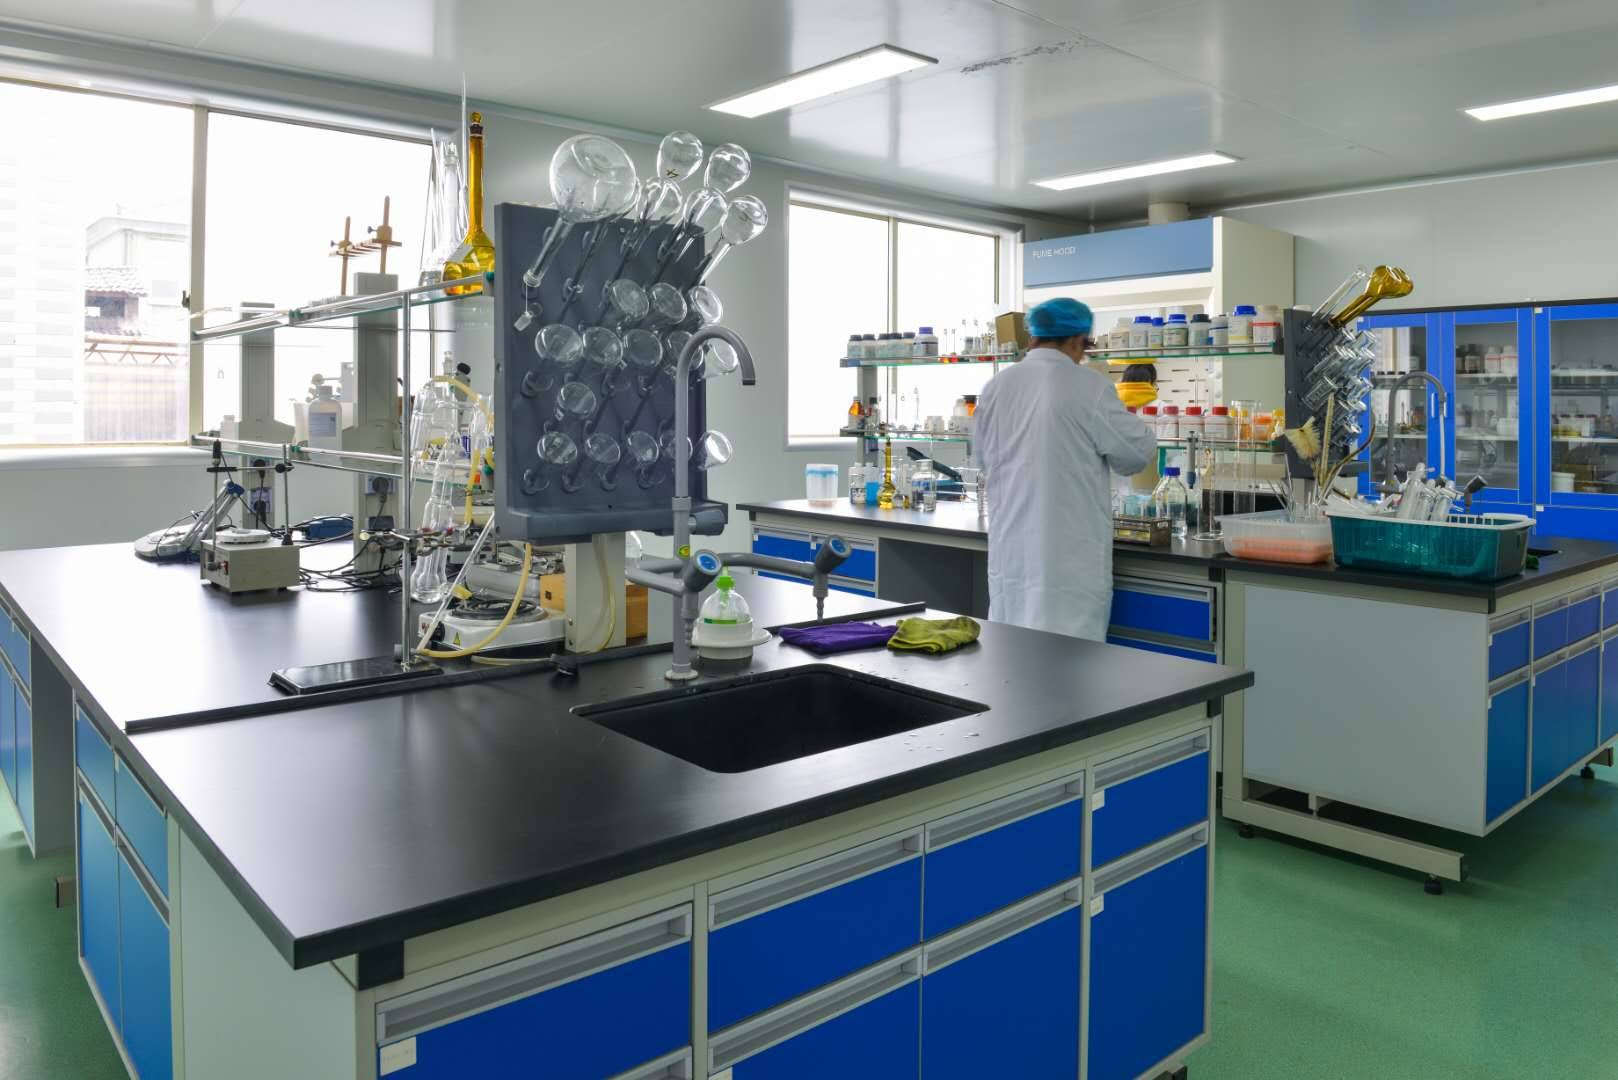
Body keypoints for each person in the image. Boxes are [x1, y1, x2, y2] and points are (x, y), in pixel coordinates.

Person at [976, 298, 1157, 640]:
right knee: (1069, 661)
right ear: (1077, 340)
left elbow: (983, 459)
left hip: (1011, 550)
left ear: (1034, 336)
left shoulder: (996, 386)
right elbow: (1136, 454)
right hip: (1069, 559)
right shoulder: (1088, 386)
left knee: (1011, 652)